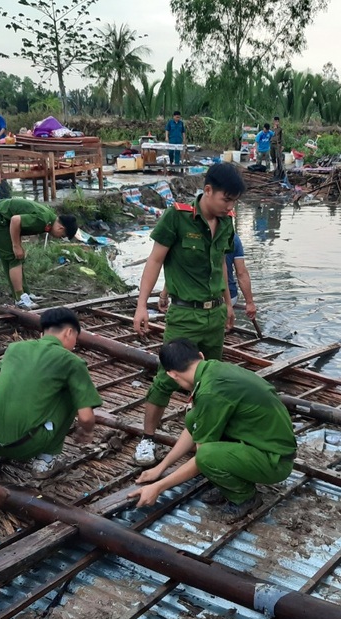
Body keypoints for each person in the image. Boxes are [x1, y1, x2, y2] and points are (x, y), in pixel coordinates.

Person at [131, 163, 245, 466]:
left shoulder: (228, 221)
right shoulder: (177, 217)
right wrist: (142, 304)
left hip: (215, 315)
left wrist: (228, 304)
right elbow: (155, 260)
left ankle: (204, 436)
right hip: (184, 316)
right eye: (226, 199)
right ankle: (148, 438)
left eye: (234, 201)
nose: (230, 206)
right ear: (207, 190)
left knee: (211, 380)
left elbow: (221, 263)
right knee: (166, 379)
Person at [128, 339, 296, 522]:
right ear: (201, 356)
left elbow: (201, 459)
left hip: (276, 462)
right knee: (194, 418)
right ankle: (232, 482)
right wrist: (161, 468)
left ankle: (245, 498)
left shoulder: (210, 392)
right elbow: (194, 427)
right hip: (263, 444)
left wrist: (158, 487)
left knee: (207, 455)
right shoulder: (212, 370)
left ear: (172, 375)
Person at [0, 307, 102, 479]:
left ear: (42, 334)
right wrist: (86, 432)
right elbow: (86, 417)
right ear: (69, 333)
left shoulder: (14, 348)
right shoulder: (72, 362)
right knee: (74, 394)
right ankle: (45, 460)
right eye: (75, 339)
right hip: (27, 444)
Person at [0, 199, 78, 309]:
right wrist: (16, 246)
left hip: (0, 220)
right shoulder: (42, 220)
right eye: (62, 235)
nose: (60, 238)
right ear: (61, 228)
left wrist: (18, 246)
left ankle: (25, 293)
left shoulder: (49, 219)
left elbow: (18, 225)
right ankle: (20, 298)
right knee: (14, 258)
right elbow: (15, 220)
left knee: (14, 259)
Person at [270, 116, 285, 180]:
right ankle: (275, 168)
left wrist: (282, 145)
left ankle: (279, 169)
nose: (276, 122)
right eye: (275, 121)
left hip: (277, 144)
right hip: (271, 144)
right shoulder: (271, 129)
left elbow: (282, 138)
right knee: (272, 156)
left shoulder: (280, 129)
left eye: (277, 121)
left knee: (278, 156)